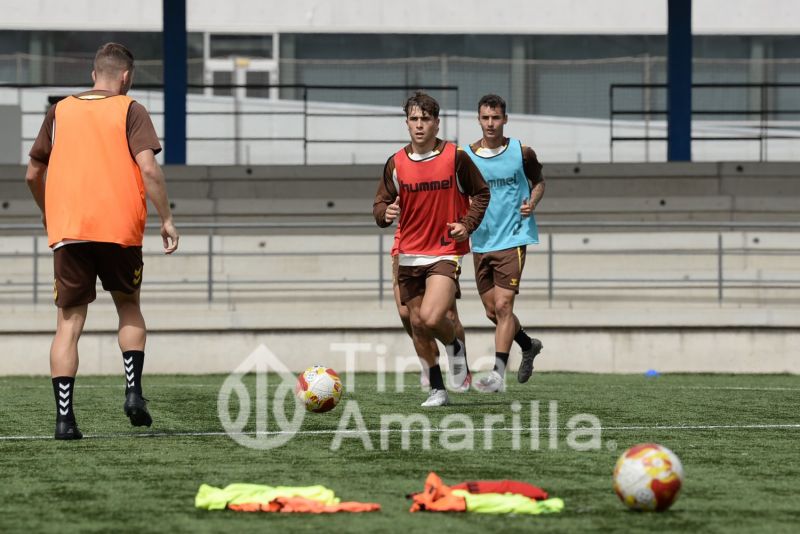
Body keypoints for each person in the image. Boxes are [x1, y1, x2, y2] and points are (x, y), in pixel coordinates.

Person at [24, 43, 179, 440]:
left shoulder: (59, 111)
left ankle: (64, 420)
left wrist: (48, 211)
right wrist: (167, 219)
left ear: (95, 73)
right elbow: (149, 168)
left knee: (68, 325)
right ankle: (133, 392)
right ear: (125, 77)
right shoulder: (130, 109)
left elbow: (32, 173)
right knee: (128, 307)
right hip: (120, 230)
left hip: (69, 232)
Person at [374, 91, 490, 407]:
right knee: (415, 322)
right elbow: (380, 202)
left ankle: (455, 348)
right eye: (414, 119)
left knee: (432, 315)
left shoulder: (456, 157)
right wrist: (384, 214)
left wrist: (466, 224)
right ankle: (437, 389)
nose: (419, 125)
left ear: (437, 123)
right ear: (407, 123)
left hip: (444, 250)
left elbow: (481, 193)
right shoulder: (396, 163)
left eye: (426, 119)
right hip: (407, 252)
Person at [464, 94, 545, 393]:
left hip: (514, 237)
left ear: (505, 119)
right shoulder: (467, 157)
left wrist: (532, 202)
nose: (490, 123)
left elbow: (539, 183)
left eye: (495, 117)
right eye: (485, 118)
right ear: (478, 119)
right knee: (492, 312)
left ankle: (498, 373)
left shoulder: (521, 152)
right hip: (481, 240)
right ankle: (528, 344)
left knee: (503, 304)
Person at [390, 228, 468, 390]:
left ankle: (460, 363)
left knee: (447, 315)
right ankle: (432, 361)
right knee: (407, 314)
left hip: (441, 244)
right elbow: (383, 207)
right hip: (406, 243)